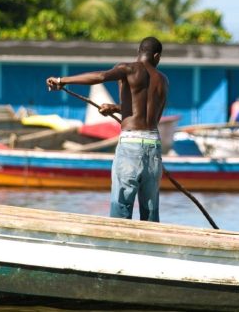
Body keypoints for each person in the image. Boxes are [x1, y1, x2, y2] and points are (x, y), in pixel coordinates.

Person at [46, 36, 169, 222]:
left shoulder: (128, 68)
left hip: (130, 145)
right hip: (153, 145)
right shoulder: (163, 80)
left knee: (121, 207)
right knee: (150, 211)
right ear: (157, 56)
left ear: (139, 52)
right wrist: (115, 108)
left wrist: (63, 80)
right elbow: (147, 111)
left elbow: (101, 76)